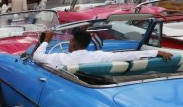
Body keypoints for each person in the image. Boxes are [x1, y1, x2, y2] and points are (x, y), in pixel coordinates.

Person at [33, 29, 173, 68]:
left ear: (74, 43)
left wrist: (46, 40)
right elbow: (127, 55)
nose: (69, 44)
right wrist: (156, 52)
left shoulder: (61, 58)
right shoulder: (98, 56)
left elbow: (37, 57)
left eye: (70, 41)